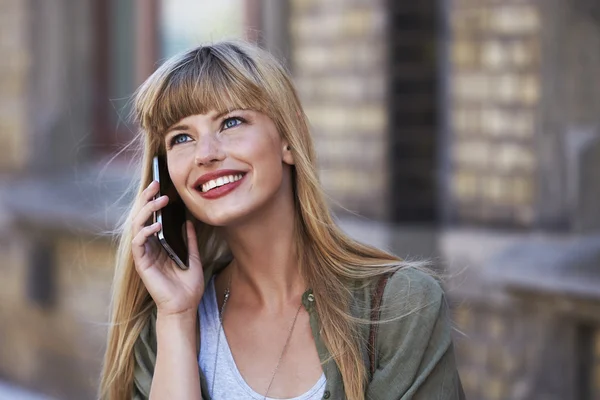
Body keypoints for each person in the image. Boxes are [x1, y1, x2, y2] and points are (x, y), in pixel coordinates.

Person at [99, 41, 464, 400]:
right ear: (165, 174)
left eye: (231, 122)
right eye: (181, 137)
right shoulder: (162, 328)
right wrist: (177, 318)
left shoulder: (399, 307)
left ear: (288, 138)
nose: (205, 154)